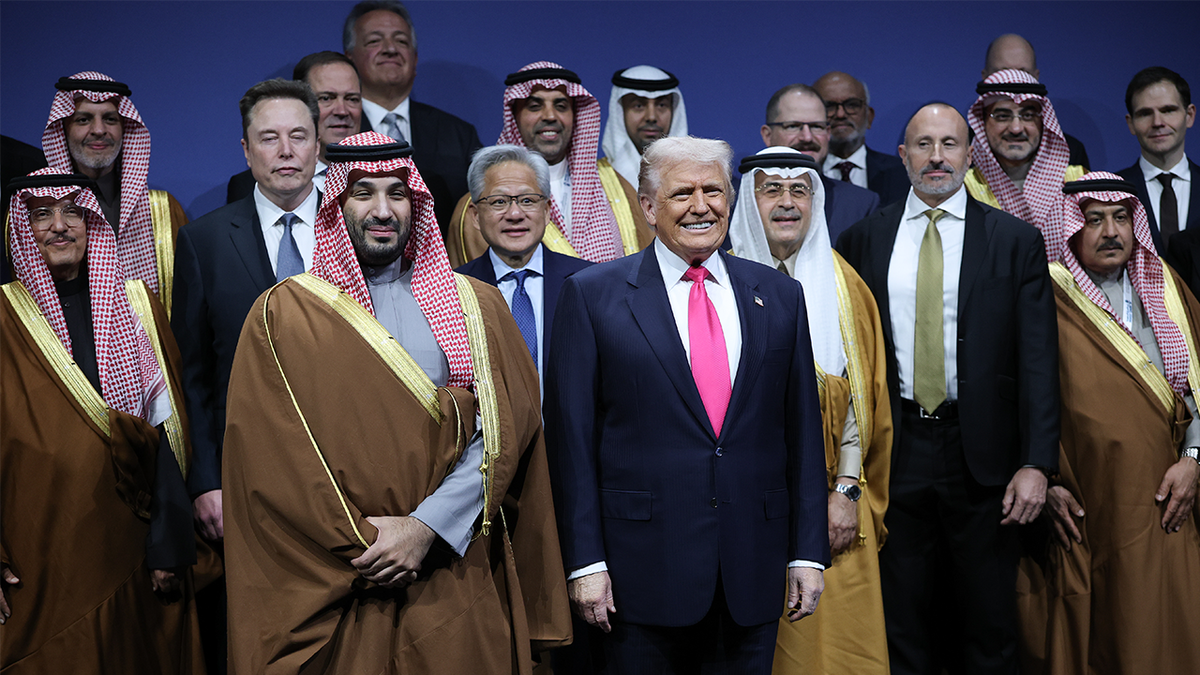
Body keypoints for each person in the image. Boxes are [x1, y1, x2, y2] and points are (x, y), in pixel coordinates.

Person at [221, 131, 570, 674]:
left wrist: (425, 527)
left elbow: (504, 431)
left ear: (418, 204)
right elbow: (274, 458)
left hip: (452, 570)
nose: (383, 210)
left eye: (397, 193)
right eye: (363, 192)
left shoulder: (477, 305)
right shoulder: (282, 316)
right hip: (338, 584)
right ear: (335, 204)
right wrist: (365, 544)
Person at [546, 136, 830, 674]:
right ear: (649, 207)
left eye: (713, 191)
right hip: (637, 576)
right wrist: (585, 561)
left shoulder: (778, 295)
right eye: (682, 193)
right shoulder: (592, 295)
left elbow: (801, 432)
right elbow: (572, 443)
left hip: (752, 570)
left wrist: (807, 553)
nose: (701, 206)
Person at [835, 103, 1060, 675]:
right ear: (903, 154)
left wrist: (1037, 463)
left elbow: (1038, 360)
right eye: (923, 144)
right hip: (899, 450)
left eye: (950, 144)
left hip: (984, 458)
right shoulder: (864, 238)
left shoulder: (1015, 241)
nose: (937, 157)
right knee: (902, 619)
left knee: (988, 623)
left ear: (968, 153)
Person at [1, 167, 202, 673]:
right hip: (36, 555)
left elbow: (166, 436)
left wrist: (168, 545)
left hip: (133, 549)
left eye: (73, 212)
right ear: (21, 231)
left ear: (93, 224)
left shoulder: (136, 307)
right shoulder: (2, 318)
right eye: (42, 215)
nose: (60, 225)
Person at [1017, 172, 1200, 674]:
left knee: (1170, 616)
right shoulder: (1045, 295)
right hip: (1086, 498)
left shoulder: (1166, 286)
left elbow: (1198, 385)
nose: (1111, 232)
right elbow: (1018, 397)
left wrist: (1193, 459)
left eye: (1121, 218)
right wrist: (1047, 480)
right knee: (1105, 627)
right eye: (1093, 220)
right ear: (1070, 228)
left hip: (1169, 491)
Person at [171, 77, 321, 672]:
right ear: (245, 150)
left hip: (346, 476)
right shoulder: (204, 240)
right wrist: (206, 481)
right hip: (245, 482)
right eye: (269, 138)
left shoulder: (357, 228)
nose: (285, 151)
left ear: (317, 146)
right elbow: (195, 375)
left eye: (298, 137)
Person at [728, 147, 893, 675]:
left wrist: (845, 493)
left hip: (827, 509)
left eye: (800, 190)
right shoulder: (707, 280)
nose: (787, 202)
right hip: (732, 509)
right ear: (748, 202)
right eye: (771, 189)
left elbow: (861, 408)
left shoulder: (848, 289)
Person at [445, 62, 653, 267]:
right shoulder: (480, 206)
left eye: (561, 106)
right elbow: (480, 292)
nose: (550, 116)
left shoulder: (616, 187)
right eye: (535, 106)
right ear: (514, 116)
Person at [42, 71, 188, 312]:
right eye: (83, 120)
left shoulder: (163, 210)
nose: (99, 130)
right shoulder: (39, 216)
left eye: (110, 119)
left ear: (125, 129)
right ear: (63, 129)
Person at [455, 145, 592, 389]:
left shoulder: (590, 282)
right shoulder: (454, 289)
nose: (515, 213)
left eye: (528, 200)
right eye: (499, 201)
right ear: (475, 216)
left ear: (547, 211)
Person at [344, 0, 482, 230]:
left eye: (401, 41)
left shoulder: (458, 134)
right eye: (374, 41)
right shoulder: (337, 132)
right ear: (349, 59)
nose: (390, 49)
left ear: (415, 59)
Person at [966, 68, 1087, 261]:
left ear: (1043, 121)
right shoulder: (964, 188)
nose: (1016, 128)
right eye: (1002, 116)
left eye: (1028, 115)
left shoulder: (1077, 183)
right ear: (982, 121)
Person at [227, 51, 363, 201]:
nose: (342, 111)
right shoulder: (246, 186)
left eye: (352, 99)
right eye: (326, 98)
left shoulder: (384, 175)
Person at [761, 84, 880, 244]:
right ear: (767, 135)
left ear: (828, 134)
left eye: (816, 126)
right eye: (793, 126)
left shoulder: (861, 204)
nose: (807, 137)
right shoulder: (736, 203)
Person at [1116, 67, 1198, 257]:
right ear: (1131, 123)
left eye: (1168, 110)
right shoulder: (1114, 192)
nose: (1157, 122)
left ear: (1189, 115)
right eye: (1145, 113)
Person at [981, 34, 1090, 168]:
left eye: (1023, 73)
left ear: (1036, 78)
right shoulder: (963, 149)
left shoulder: (1070, 152)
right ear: (985, 78)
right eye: (1003, 73)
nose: (1014, 81)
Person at [813, 71, 909, 205]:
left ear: (869, 117)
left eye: (852, 104)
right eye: (829, 107)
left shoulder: (903, 174)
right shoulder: (801, 175)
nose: (840, 114)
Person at [601, 65, 688, 189]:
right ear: (621, 112)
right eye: (638, 106)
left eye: (662, 105)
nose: (651, 117)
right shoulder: (595, 181)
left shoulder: (693, 178)